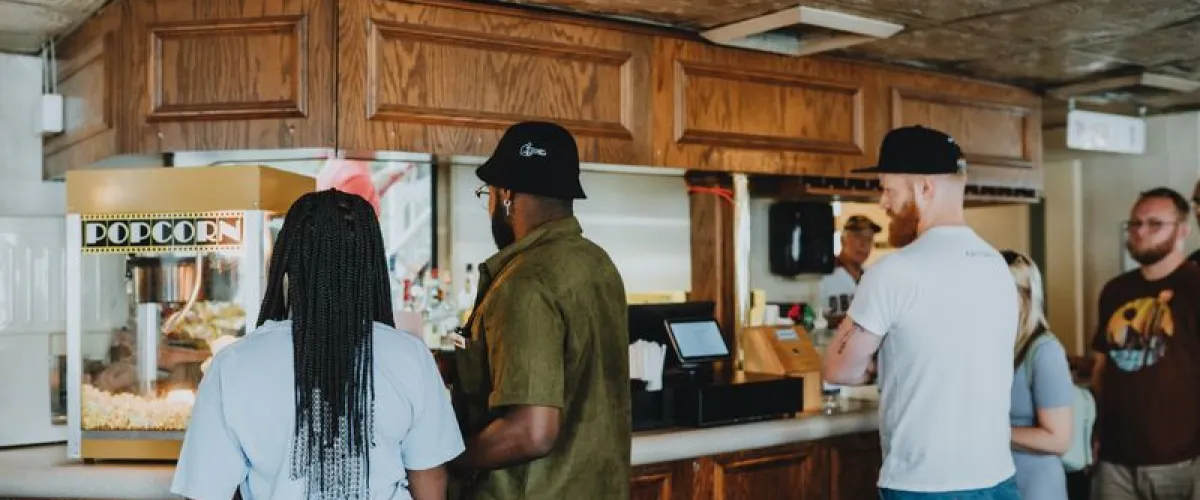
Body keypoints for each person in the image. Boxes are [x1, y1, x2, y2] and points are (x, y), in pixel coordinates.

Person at [171, 190, 464, 500]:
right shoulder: (409, 357)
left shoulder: (233, 364)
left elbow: (204, 492)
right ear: (371, 262)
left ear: (287, 261)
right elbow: (430, 480)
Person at [821, 125, 1021, 498]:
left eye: (887, 189)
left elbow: (838, 370)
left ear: (924, 188)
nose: (883, 203)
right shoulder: (997, 266)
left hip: (925, 484)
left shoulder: (893, 271)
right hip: (997, 478)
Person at [447, 121, 630, 499]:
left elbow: (533, 432)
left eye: (489, 195)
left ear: (507, 194)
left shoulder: (525, 281)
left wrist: (452, 460)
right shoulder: (598, 264)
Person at [1090, 187, 1200, 500]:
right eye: (1135, 223)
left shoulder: (1195, 287)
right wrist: (1095, 430)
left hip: (1183, 460)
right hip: (1114, 460)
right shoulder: (1115, 291)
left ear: (1182, 231)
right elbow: (1102, 368)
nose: (1140, 232)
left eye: (1154, 224)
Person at [1001, 249, 1075, 500]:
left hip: (1034, 485)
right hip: (996, 482)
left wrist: (987, 431)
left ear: (1024, 296)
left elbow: (1059, 439)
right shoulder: (992, 348)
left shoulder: (1044, 350)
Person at [818, 214, 882, 327]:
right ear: (843, 239)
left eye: (869, 239)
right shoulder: (823, 274)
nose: (864, 245)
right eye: (857, 237)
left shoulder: (872, 276)